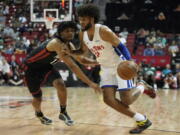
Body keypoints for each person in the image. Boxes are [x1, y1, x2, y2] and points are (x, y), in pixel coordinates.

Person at [66, 4, 156, 134]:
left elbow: (121, 47)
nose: (81, 22)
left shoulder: (103, 31)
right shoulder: (82, 34)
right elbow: (82, 51)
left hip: (120, 65)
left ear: (92, 18)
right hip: (106, 68)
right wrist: (71, 52)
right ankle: (142, 120)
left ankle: (142, 86)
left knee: (127, 100)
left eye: (84, 19)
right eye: (80, 19)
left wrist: (129, 63)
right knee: (108, 99)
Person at [21, 21, 102, 126]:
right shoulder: (56, 43)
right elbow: (73, 66)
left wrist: (97, 62)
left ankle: (63, 112)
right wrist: (91, 83)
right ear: (60, 32)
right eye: (67, 31)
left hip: (46, 67)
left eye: (72, 31)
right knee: (37, 97)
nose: (71, 33)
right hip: (31, 69)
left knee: (61, 85)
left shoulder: (69, 45)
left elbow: (81, 59)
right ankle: (39, 113)